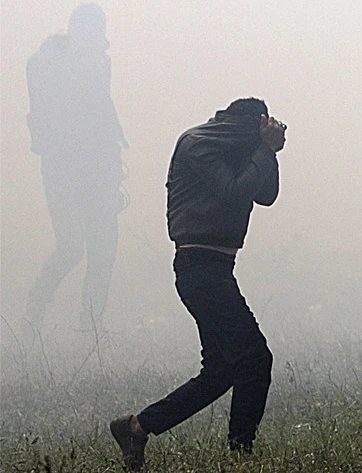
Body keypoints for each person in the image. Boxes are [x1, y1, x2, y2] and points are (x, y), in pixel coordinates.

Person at [109, 98, 286, 471]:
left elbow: (265, 195)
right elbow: (236, 191)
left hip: (214, 268)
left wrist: (265, 152)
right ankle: (241, 455)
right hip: (199, 268)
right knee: (255, 360)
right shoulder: (199, 144)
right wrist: (264, 148)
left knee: (221, 371)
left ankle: (136, 428)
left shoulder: (228, 146)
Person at [25, 3, 128, 331]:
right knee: (70, 246)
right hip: (63, 169)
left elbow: (101, 111)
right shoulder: (45, 63)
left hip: (99, 169)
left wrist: (113, 164)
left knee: (103, 251)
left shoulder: (100, 62)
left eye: (99, 30)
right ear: (74, 31)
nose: (96, 37)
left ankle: (90, 331)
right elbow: (50, 112)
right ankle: (32, 316)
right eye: (89, 29)